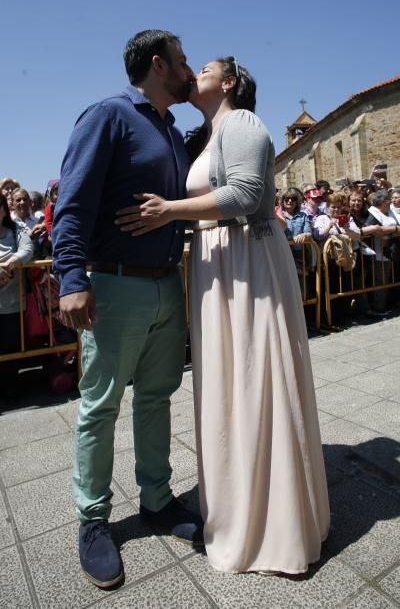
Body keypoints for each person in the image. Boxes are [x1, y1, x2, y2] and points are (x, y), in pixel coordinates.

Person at [116, 56, 330, 575]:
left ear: (228, 83)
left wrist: (168, 210)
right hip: (217, 263)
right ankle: (237, 507)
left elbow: (246, 195)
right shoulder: (207, 132)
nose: (196, 74)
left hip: (246, 262)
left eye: (205, 68)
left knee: (255, 379)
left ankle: (273, 523)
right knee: (229, 384)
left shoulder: (242, 122)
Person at [53, 29, 202, 589]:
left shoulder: (170, 130)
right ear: (158, 63)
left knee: (158, 398)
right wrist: (72, 277)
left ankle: (158, 501)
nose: (189, 70)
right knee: (101, 406)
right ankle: (93, 521)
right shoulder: (108, 115)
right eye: (184, 62)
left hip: (168, 283)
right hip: (114, 287)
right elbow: (72, 201)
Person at [0, 193, 34, 402]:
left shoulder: (17, 229)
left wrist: (9, 263)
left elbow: (28, 249)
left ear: (4, 208)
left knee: (11, 349)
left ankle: (10, 388)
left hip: (13, 303)